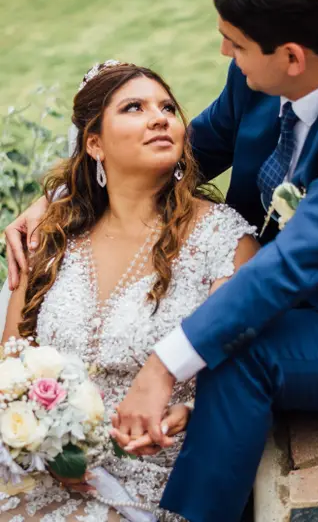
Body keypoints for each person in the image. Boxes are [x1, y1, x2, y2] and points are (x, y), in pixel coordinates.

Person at [5, 0, 318, 522]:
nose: (224, 53)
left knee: (239, 352)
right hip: (270, 291)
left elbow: (293, 263)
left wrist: (162, 366)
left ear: (292, 57)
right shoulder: (257, 80)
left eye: (235, 44)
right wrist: (62, 197)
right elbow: (186, 151)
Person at [0, 61, 258, 521]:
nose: (159, 118)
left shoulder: (223, 240)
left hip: (157, 478)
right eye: (134, 108)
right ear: (94, 143)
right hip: (39, 470)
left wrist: (191, 410)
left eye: (167, 108)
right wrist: (46, 447)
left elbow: (244, 369)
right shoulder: (51, 239)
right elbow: (9, 375)